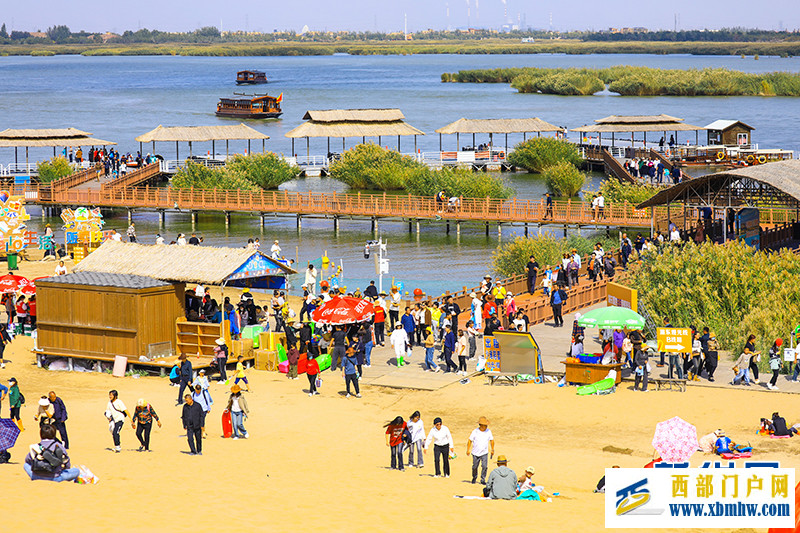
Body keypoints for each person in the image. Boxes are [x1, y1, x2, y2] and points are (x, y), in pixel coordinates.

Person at [467, 416, 494, 485]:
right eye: (484, 425)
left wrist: (492, 449)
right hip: (475, 453)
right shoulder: (475, 431)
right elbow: (470, 440)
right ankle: (474, 477)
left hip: (484, 452)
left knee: (484, 466)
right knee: (475, 466)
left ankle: (482, 479)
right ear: (481, 425)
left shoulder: (488, 431)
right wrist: (468, 450)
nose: (486, 427)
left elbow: (491, 440)